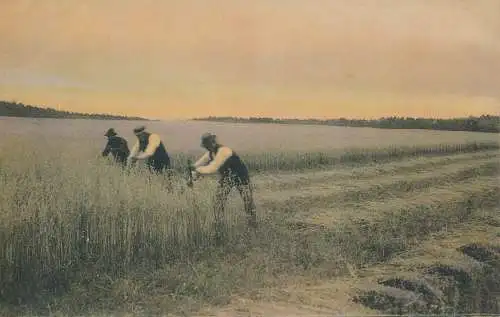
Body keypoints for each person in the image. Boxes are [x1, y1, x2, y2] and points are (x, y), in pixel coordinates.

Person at [191, 132, 257, 233]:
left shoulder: (224, 151)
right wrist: (192, 172)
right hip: (227, 177)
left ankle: (253, 225)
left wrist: (197, 171)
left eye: (208, 145)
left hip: (241, 175)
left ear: (213, 143)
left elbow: (213, 168)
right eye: (206, 146)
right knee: (219, 200)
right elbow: (198, 164)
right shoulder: (210, 153)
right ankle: (219, 223)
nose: (207, 148)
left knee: (247, 200)